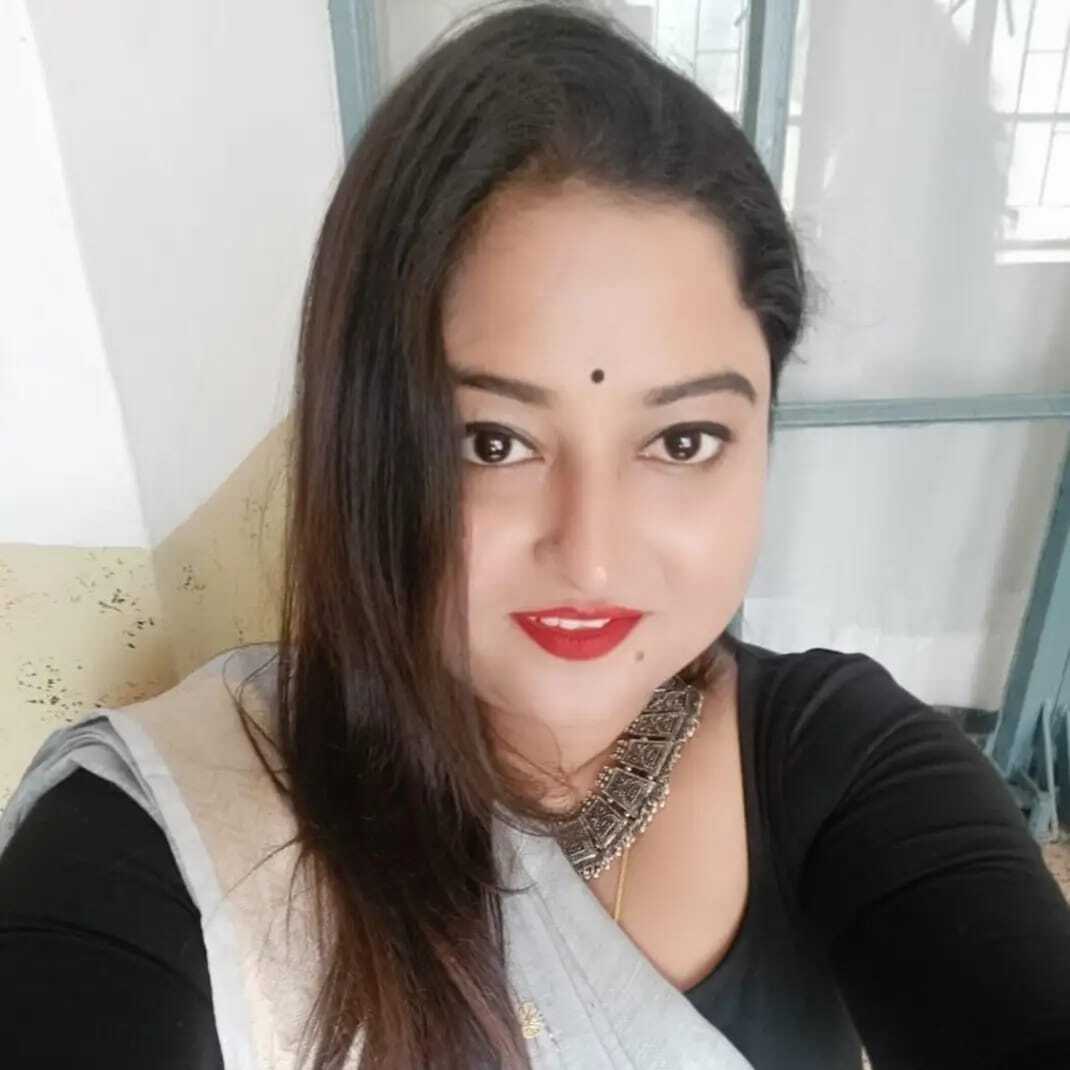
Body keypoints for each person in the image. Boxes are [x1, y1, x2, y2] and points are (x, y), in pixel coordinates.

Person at [2, 2, 1069, 1068]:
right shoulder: (164, 840)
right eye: (494, 442)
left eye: (683, 439)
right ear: (359, 439)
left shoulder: (851, 767)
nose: (591, 555)